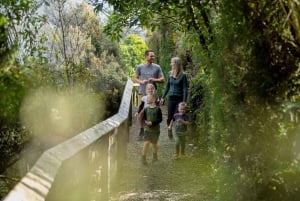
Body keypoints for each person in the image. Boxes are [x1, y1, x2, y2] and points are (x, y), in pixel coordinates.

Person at [134, 49, 164, 138]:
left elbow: (163, 79)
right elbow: (135, 78)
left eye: (153, 56)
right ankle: (141, 129)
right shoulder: (139, 67)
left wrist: (154, 79)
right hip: (142, 93)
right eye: (151, 56)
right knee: (141, 113)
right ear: (146, 56)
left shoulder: (157, 67)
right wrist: (141, 81)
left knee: (152, 113)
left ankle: (152, 132)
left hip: (153, 95)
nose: (153, 57)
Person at [160, 56, 189, 139]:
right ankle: (169, 128)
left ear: (176, 64)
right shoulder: (169, 73)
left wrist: (184, 101)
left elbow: (184, 89)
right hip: (171, 98)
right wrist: (162, 97)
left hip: (179, 99)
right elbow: (167, 86)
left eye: (172, 62)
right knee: (169, 117)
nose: (170, 64)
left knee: (176, 115)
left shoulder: (183, 75)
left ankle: (176, 132)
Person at [141, 93, 163, 165]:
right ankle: (143, 158)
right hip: (147, 130)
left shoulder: (158, 109)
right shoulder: (146, 109)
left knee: (154, 144)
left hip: (156, 130)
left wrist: (152, 123)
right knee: (146, 143)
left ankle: (155, 156)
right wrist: (146, 122)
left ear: (153, 99)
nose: (147, 99)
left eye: (148, 98)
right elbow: (144, 118)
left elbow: (160, 119)